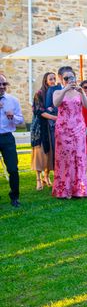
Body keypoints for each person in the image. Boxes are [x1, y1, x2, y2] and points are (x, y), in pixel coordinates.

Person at [52, 68, 87, 199]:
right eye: (66, 78)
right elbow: (56, 103)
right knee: (65, 157)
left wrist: (82, 92)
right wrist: (65, 89)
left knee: (79, 157)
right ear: (62, 79)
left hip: (78, 127)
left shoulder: (79, 92)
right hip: (63, 128)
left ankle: (79, 189)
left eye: (71, 78)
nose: (69, 80)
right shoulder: (57, 91)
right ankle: (63, 189)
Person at [0, 73, 24, 207]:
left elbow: (20, 120)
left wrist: (12, 116)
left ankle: (15, 197)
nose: (2, 86)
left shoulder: (13, 100)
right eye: (0, 84)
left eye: (4, 84)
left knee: (13, 169)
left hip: (7, 137)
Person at [31, 72, 56, 190]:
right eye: (50, 79)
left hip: (52, 127)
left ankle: (46, 176)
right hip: (40, 128)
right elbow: (39, 111)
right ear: (45, 80)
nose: (53, 81)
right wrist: (54, 117)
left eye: (54, 78)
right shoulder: (39, 93)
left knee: (50, 153)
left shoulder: (56, 93)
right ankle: (38, 179)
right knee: (40, 154)